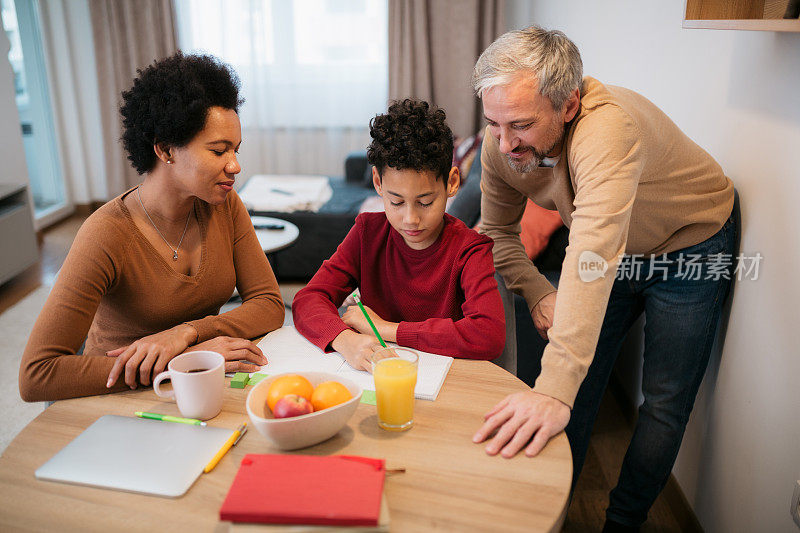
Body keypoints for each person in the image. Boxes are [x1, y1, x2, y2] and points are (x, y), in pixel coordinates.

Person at [470, 27, 735, 531]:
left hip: (690, 245)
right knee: (575, 384)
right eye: (493, 123)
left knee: (661, 402)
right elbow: (497, 234)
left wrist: (552, 388)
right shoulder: (500, 140)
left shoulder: (608, 131)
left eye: (520, 125)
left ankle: (623, 522)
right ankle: (549, 516)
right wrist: (538, 292)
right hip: (610, 250)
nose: (504, 143)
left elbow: (591, 253)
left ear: (568, 105)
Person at [19, 52, 285, 402]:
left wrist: (188, 333)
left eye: (235, 149)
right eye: (219, 151)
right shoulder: (106, 233)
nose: (235, 165)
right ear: (165, 150)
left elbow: (269, 304)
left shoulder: (224, 205)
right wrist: (187, 360)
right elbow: (37, 375)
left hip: (190, 384)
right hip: (113, 395)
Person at [292, 99, 505, 370]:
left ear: (451, 183)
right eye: (396, 202)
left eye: (426, 202)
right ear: (378, 183)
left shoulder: (470, 250)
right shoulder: (367, 233)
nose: (411, 219)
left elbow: (489, 335)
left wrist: (386, 329)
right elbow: (309, 299)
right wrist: (344, 340)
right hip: (376, 376)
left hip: (445, 382)